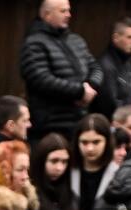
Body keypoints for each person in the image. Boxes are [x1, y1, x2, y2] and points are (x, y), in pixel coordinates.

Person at [22, 0, 102, 145]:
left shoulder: (76, 40)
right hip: (50, 125)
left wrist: (91, 86)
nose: (68, 15)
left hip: (79, 120)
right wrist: (79, 92)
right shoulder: (34, 43)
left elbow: (96, 67)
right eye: (63, 11)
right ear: (47, 14)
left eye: (68, 10)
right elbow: (41, 79)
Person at [72, 113, 120, 210]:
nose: (90, 148)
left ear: (107, 142)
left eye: (96, 142)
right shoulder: (67, 172)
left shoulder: (117, 174)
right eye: (84, 142)